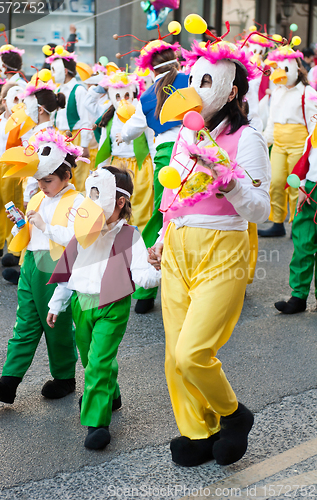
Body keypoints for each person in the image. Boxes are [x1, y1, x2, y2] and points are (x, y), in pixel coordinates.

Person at [148, 34, 270, 467]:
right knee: (172, 357)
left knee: (193, 352)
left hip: (223, 247)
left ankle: (233, 414)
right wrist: (163, 237)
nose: (195, 89)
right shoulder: (185, 132)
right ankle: (197, 432)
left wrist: (228, 177)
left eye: (207, 81)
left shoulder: (248, 139)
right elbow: (176, 194)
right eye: (193, 79)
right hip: (180, 246)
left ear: (231, 90)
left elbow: (260, 209)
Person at [46, 166, 161, 450]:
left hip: (113, 306)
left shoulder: (129, 236)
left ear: (119, 202)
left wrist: (160, 268)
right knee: (89, 358)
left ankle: (96, 423)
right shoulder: (82, 231)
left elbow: (142, 274)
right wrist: (57, 303)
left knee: (97, 362)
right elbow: (69, 268)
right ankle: (112, 393)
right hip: (81, 304)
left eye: (100, 196)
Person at [0, 129, 85, 404]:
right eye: (39, 179)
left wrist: (45, 226)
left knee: (57, 324)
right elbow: (33, 233)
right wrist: (21, 223)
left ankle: (65, 377)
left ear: (67, 174)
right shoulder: (41, 197)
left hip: (56, 267)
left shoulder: (77, 201)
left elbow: (78, 239)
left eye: (48, 179)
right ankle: (9, 382)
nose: (42, 184)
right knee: (25, 322)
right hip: (31, 263)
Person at [117, 39, 188, 314]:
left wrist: (122, 130)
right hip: (194, 152)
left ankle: (146, 290)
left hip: (165, 156)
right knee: (192, 214)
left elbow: (130, 132)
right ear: (176, 61)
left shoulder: (146, 96)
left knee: (162, 213)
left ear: (150, 67)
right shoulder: (191, 81)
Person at [1, 72, 66, 283]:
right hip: (47, 190)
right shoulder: (51, 133)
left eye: (27, 105)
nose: (24, 109)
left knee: (38, 227)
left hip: (40, 192)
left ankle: (33, 272)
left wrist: (29, 195)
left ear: (39, 109)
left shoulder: (41, 137)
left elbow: (34, 171)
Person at [260, 44, 317, 237]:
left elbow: (313, 126)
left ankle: (296, 222)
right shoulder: (277, 91)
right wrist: (265, 141)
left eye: (285, 69)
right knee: (275, 182)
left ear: (296, 68)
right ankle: (277, 222)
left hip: (298, 144)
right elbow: (272, 120)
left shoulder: (307, 93)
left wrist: (309, 150)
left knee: (296, 185)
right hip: (278, 142)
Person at [95, 70, 155, 234]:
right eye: (118, 97)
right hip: (117, 167)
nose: (122, 101)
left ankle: (142, 240)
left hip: (141, 165)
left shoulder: (141, 114)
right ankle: (122, 239)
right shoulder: (109, 117)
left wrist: (157, 168)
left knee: (141, 205)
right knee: (119, 205)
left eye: (126, 95)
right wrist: (100, 169)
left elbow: (151, 141)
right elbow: (103, 145)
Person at [275, 127, 317, 314]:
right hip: (310, 189)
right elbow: (307, 155)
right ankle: (298, 296)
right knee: (302, 244)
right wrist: (301, 184)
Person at [0, 83, 25, 264]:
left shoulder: (23, 122)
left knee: (13, 208)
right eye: (14, 98)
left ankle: (15, 248)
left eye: (20, 99)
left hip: (14, 166)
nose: (17, 102)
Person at [46, 45, 92, 191]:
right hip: (60, 137)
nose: (52, 74)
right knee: (63, 173)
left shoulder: (79, 90)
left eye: (54, 70)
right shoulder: (58, 90)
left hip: (75, 136)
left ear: (65, 71)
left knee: (79, 175)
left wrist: (84, 144)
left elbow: (86, 119)